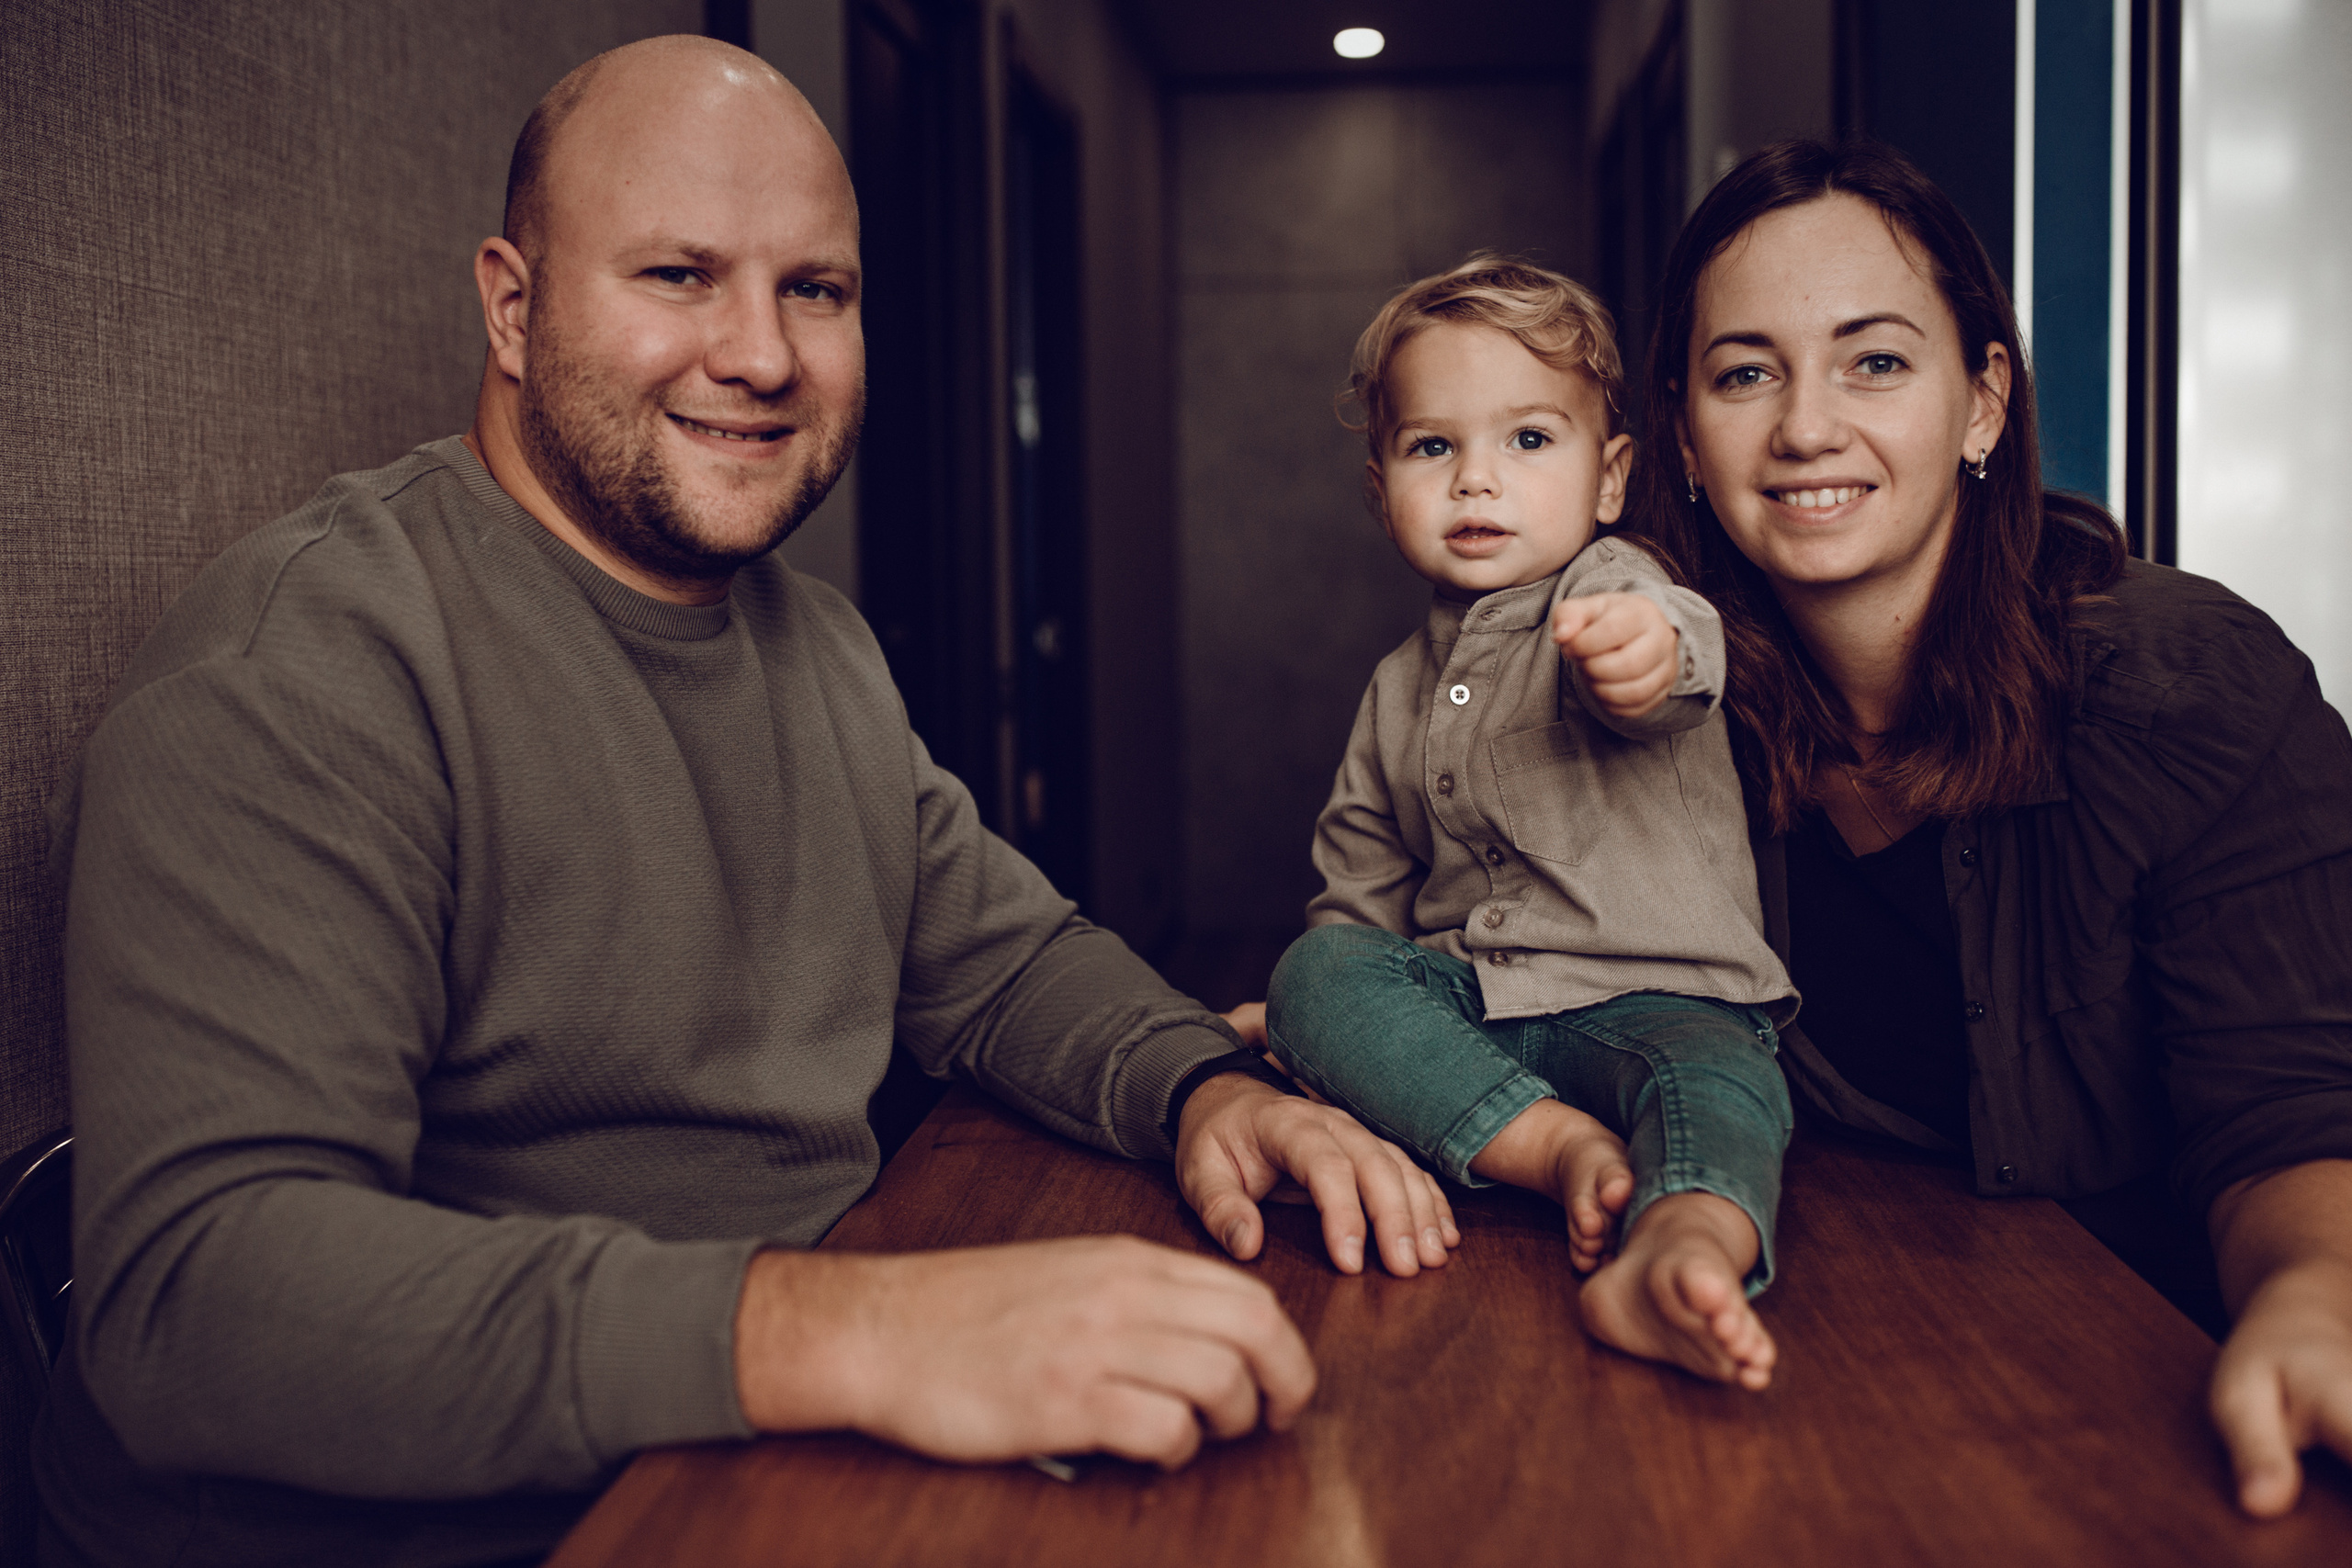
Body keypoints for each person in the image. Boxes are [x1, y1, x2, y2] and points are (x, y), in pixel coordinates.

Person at [35, 37, 1461, 1567]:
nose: (763, 355)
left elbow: (1004, 959)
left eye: (816, 290)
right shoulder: (311, 663)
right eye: (676, 274)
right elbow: (199, 1299)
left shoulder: (816, 641)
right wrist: (846, 1325)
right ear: (512, 307)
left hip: (768, 1452)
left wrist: (1206, 1093)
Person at [1638, 139, 2352, 1517]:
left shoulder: (2193, 685)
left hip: (2160, 1398)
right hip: (1851, 1362)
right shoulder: (1657, 710)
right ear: (1680, 434)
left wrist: (2318, 1296)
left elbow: (2294, 1110)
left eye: (1875, 361)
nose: (1804, 425)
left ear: (1983, 402)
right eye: (1745, 372)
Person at [1260, 258, 1798, 1390]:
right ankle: (1555, 1150)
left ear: (1609, 479)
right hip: (1479, 1010)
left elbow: (1678, 652)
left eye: (1528, 442)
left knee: (1726, 1093)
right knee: (1315, 972)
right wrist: (1320, 1015)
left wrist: (1641, 660)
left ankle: (1682, 1247)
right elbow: (1360, 887)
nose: (1476, 483)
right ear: (1379, 485)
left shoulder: (1611, 585)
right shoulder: (1395, 687)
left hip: (1668, 1000)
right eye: (1432, 448)